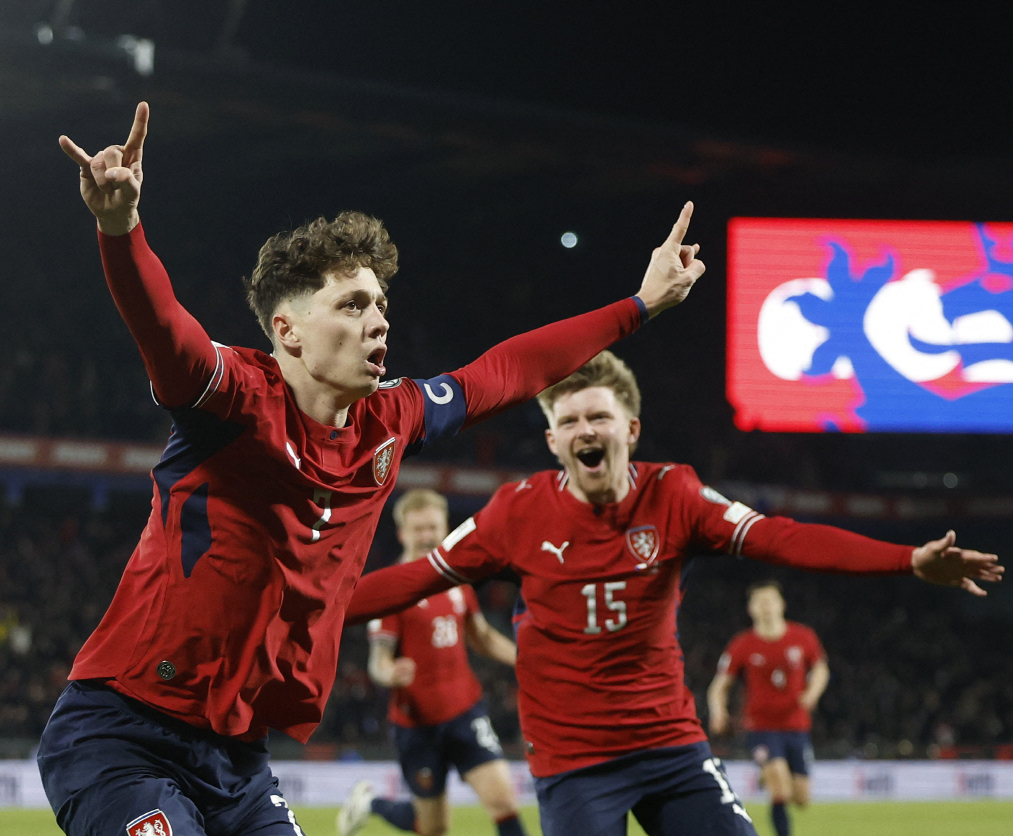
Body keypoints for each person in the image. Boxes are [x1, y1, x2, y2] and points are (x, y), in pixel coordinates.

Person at [37, 102, 707, 836]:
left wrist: (640, 305)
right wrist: (120, 228)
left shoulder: (392, 420)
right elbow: (163, 326)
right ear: (288, 330)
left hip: (236, 756)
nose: (379, 319)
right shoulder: (230, 398)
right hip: (121, 735)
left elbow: (506, 371)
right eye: (352, 304)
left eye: (381, 303)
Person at [344, 350, 1003, 836]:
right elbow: (415, 577)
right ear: (552, 442)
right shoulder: (514, 512)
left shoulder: (677, 495)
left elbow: (783, 538)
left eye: (599, 415)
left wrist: (908, 560)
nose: (585, 430)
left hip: (669, 748)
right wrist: (305, 611)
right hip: (573, 764)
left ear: (630, 428)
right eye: (569, 420)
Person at [338, 489, 527, 836]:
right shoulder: (391, 592)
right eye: (419, 528)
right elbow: (377, 662)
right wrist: (389, 673)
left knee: (504, 801)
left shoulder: (457, 582)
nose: (427, 535)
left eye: (433, 527)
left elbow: (482, 638)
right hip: (417, 728)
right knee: (434, 828)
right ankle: (372, 804)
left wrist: (528, 660)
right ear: (402, 533)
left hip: (466, 713)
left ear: (444, 529)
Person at [707, 581, 828, 836]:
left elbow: (820, 669)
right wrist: (719, 712)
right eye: (759, 602)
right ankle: (772, 778)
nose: (766, 607)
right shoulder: (742, 644)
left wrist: (812, 693)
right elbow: (719, 686)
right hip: (760, 727)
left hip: (797, 726)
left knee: (802, 798)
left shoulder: (803, 636)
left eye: (770, 600)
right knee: (781, 791)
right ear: (750, 609)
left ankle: (767, 773)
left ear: (781, 604)